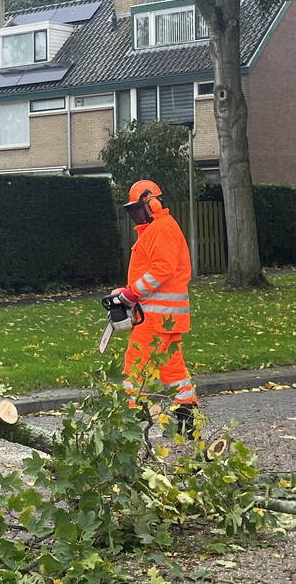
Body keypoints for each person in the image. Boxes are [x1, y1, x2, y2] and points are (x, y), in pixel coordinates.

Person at [112, 179, 197, 432]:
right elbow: (152, 271)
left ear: (152, 203)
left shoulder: (161, 228)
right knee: (173, 370)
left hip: (155, 317)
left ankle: (128, 420)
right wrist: (127, 292)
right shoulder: (158, 229)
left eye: (138, 209)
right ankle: (188, 420)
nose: (135, 216)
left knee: (134, 366)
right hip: (167, 316)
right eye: (132, 211)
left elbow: (161, 270)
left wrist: (130, 294)